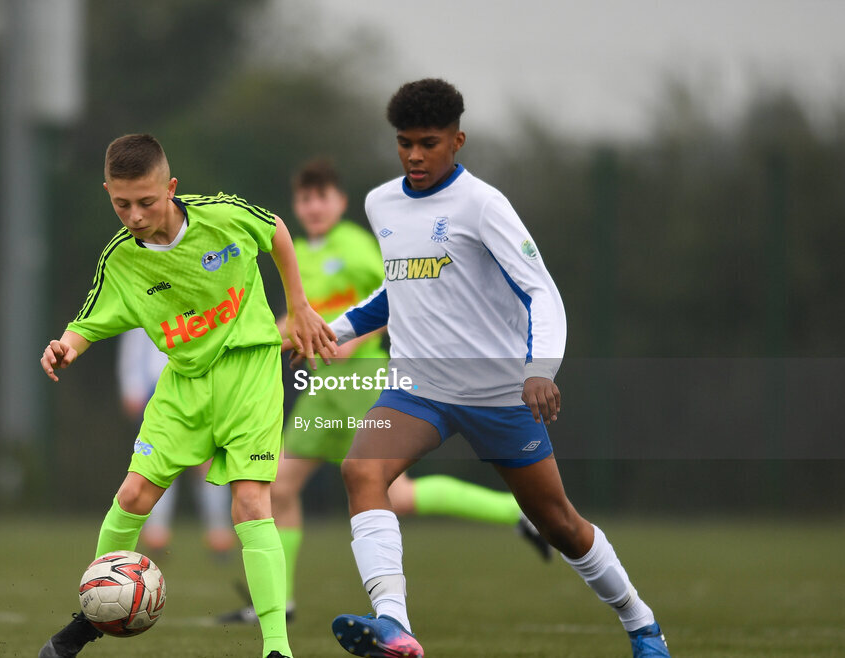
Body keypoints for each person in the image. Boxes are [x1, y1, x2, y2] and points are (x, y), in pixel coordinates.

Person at [322, 80, 671, 658]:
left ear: (457, 141)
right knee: (361, 471)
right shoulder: (381, 202)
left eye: (428, 143)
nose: (413, 155)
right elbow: (394, 292)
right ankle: (393, 624)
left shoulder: (483, 205)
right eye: (404, 143)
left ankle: (642, 625)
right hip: (418, 389)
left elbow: (542, 292)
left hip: (498, 393)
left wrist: (539, 369)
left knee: (559, 524)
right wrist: (329, 332)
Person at [37, 133, 335, 658]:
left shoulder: (221, 216)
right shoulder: (121, 260)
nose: (133, 214)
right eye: (121, 203)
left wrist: (300, 305)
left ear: (171, 188)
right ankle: (89, 618)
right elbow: (90, 320)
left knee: (249, 503)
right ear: (108, 191)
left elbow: (277, 232)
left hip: (249, 373)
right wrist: (66, 346)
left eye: (146, 201)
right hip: (184, 385)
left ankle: (276, 649)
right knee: (132, 497)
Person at [219, 158, 551, 625]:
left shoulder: (356, 248)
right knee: (280, 487)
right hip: (323, 390)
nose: (313, 207)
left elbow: (399, 301)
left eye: (322, 197)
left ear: (340, 202)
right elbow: (303, 322)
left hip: (364, 382)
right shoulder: (301, 256)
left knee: (399, 495)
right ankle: (278, 603)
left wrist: (346, 342)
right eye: (305, 198)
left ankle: (518, 511)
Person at [116, 328, 236, 556]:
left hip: (201, 388)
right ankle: (156, 533)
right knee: (157, 464)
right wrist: (131, 388)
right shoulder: (149, 299)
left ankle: (219, 532)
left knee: (206, 461)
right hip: (157, 391)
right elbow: (133, 346)